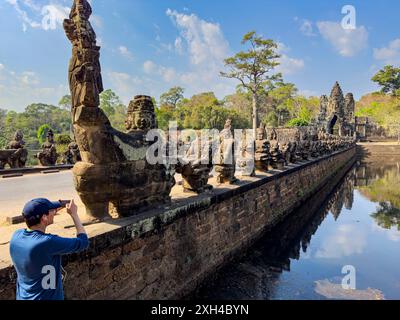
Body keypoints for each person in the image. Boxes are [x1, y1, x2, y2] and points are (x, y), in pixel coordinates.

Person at [10, 198, 89, 300]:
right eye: (51, 211)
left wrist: (60, 205)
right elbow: (83, 242)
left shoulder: (16, 236)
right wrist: (74, 214)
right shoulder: (47, 242)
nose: (55, 212)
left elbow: (42, 214)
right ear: (44, 218)